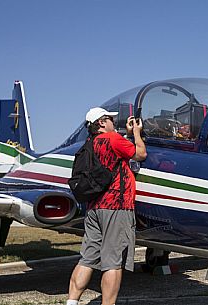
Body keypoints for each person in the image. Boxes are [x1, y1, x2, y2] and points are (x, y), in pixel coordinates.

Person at [66, 107, 147, 305]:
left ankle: (71, 302)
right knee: (113, 262)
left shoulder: (90, 143)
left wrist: (126, 135)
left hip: (94, 208)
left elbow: (114, 157)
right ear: (102, 122)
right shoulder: (112, 138)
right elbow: (140, 154)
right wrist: (136, 133)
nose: (113, 122)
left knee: (87, 259)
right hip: (116, 207)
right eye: (110, 119)